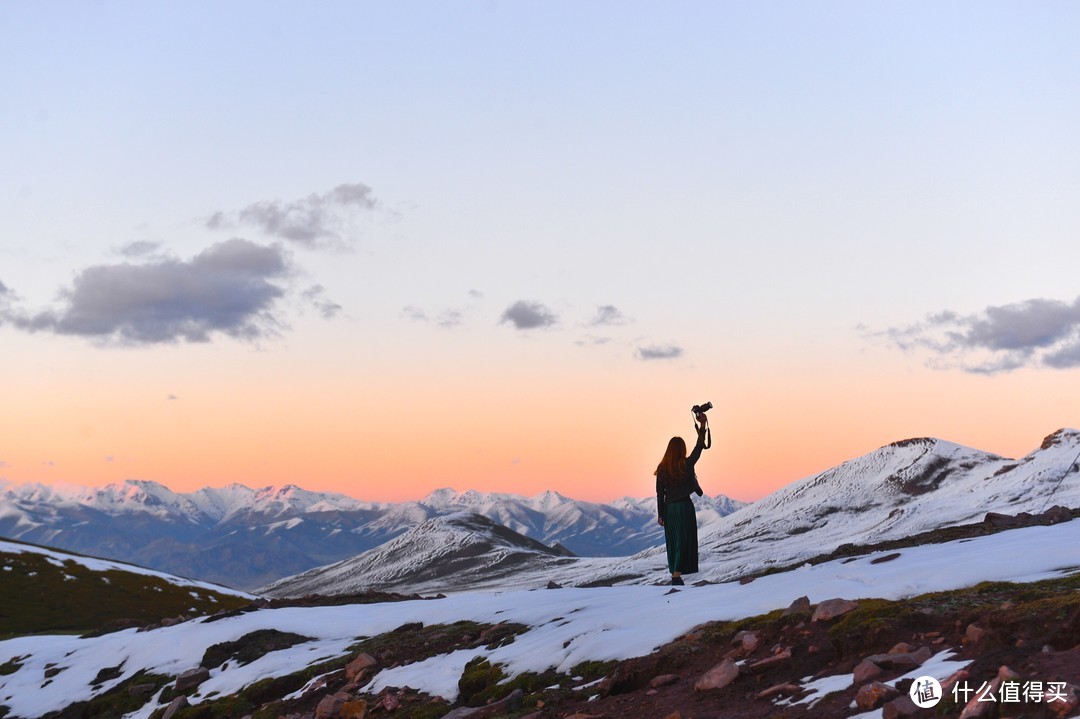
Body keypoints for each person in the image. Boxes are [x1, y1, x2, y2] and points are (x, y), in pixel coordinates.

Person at [655, 411, 710, 585]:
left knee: (673, 542)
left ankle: (675, 573)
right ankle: (676, 576)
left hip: (670, 509)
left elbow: (660, 493)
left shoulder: (662, 469)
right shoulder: (686, 464)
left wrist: (661, 514)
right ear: (682, 450)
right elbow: (699, 448)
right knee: (684, 541)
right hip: (685, 507)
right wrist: (702, 426)